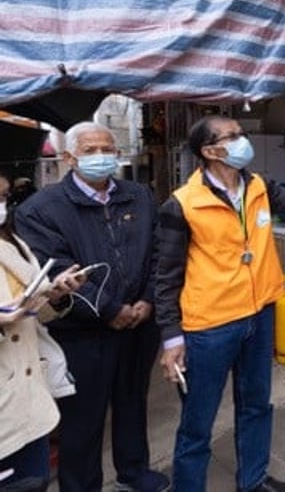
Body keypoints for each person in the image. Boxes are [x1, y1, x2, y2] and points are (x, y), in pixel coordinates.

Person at [155, 116, 285, 492]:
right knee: (198, 423)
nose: (243, 141)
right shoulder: (182, 204)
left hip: (259, 315)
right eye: (234, 136)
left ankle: (253, 481)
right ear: (210, 151)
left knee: (257, 406)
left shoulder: (257, 185)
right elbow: (165, 278)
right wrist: (170, 338)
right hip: (209, 326)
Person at [14, 123, 169, 492]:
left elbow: (159, 253)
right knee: (83, 420)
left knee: (132, 403)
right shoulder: (40, 209)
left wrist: (146, 300)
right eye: (90, 150)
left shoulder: (139, 196)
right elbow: (55, 269)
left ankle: (134, 472)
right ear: (69, 158)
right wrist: (111, 309)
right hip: (83, 334)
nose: (101, 157)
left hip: (139, 324)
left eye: (108, 149)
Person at [0, 170, 84, 492]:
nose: (2, 205)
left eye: (4, 197)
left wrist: (57, 295)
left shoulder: (14, 242)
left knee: (34, 482)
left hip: (30, 401)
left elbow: (35, 314)